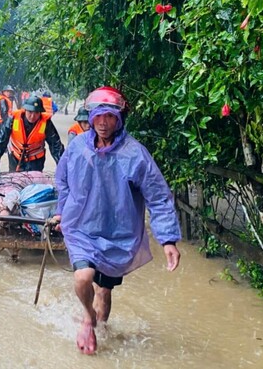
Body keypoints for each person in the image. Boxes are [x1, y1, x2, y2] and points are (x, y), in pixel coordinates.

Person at [52, 86, 182, 355]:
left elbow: (158, 195)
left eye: (109, 117)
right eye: (98, 116)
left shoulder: (135, 154)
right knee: (83, 277)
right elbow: (63, 180)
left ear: (119, 118)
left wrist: (168, 239)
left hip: (117, 234)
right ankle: (88, 318)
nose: (102, 122)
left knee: (104, 292)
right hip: (82, 228)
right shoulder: (77, 147)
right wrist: (62, 212)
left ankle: (102, 330)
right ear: (90, 117)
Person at [0, 95, 64, 173]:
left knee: (34, 184)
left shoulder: (46, 123)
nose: (32, 116)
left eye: (36, 113)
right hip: (15, 157)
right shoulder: (13, 119)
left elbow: (56, 145)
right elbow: (1, 141)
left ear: (40, 112)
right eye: (30, 112)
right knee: (15, 182)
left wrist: (63, 166)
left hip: (36, 160)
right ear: (25, 110)